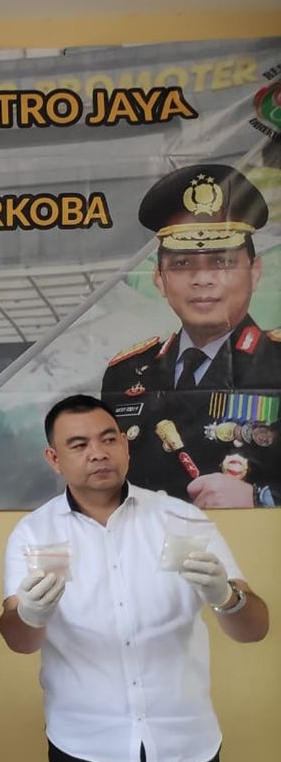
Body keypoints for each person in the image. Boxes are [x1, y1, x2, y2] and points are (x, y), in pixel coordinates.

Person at [0, 395, 269, 762]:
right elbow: (19, 640)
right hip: (86, 747)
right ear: (54, 459)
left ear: (125, 446)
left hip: (186, 745)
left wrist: (226, 598)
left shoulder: (182, 519)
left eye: (109, 439)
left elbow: (255, 628)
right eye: (79, 445)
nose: (98, 453)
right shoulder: (33, 533)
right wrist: (30, 615)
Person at [101, 163, 280, 508]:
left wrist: (261, 499)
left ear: (255, 272)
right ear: (159, 279)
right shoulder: (125, 374)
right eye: (183, 264)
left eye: (222, 263)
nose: (202, 279)